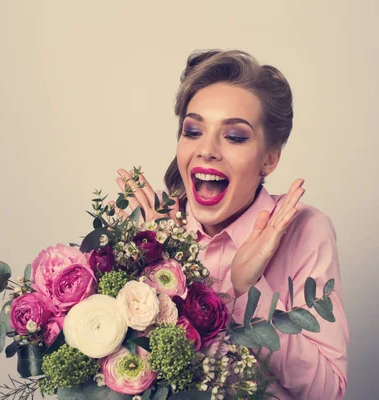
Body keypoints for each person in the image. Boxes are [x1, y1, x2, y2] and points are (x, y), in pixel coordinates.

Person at [113, 49, 349, 399]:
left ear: (269, 158)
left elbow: (330, 392)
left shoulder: (304, 230)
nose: (207, 150)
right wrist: (155, 258)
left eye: (234, 137)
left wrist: (248, 292)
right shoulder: (155, 227)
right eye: (193, 131)